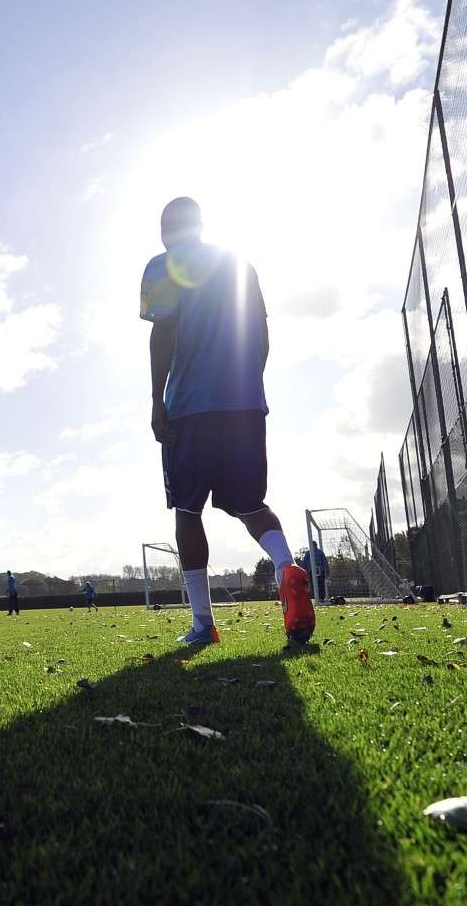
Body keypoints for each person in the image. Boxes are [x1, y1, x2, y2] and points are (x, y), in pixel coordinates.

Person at [141, 196, 315, 648]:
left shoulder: (161, 267)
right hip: (244, 402)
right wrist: (248, 386)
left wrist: (157, 401)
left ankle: (203, 623)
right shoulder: (240, 264)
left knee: (187, 509)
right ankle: (286, 567)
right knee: (251, 503)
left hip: (189, 407)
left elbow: (163, 332)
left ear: (167, 229)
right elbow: (261, 332)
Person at [307, 538, 330, 604]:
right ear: (316, 545)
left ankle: (317, 598)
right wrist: (327, 571)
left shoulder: (308, 553)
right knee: (321, 584)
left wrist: (306, 572)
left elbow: (305, 563)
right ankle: (321, 598)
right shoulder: (320, 552)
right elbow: (325, 562)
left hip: (311, 571)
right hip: (321, 570)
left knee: (314, 584)